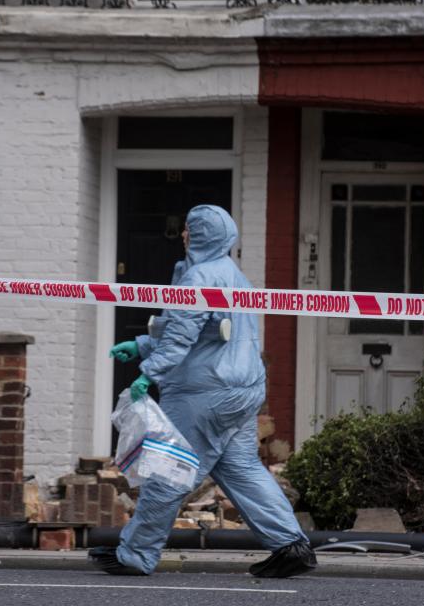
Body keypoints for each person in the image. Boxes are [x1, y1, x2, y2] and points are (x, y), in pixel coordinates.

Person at [89, 204, 317, 578]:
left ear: (200, 236)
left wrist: (148, 372)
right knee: (242, 469)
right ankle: (291, 544)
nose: (183, 235)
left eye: (189, 230)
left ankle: (136, 554)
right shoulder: (234, 276)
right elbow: (207, 334)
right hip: (241, 390)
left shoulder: (198, 278)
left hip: (204, 394)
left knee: (169, 470)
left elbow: (181, 338)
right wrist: (144, 344)